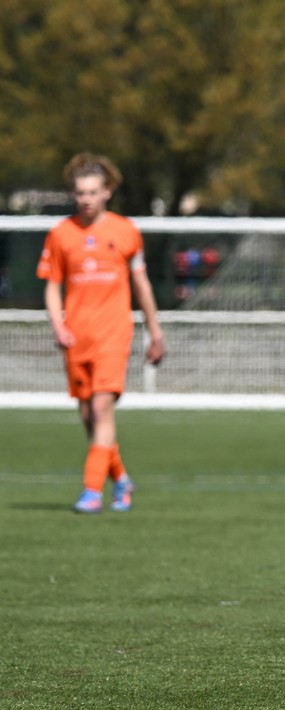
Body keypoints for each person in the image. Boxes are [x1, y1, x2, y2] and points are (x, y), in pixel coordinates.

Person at [38, 153, 165, 514]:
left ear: (107, 191)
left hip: (113, 334)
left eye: (93, 192)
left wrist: (155, 331)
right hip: (77, 337)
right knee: (88, 417)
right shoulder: (60, 234)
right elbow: (52, 285)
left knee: (101, 408)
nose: (86, 199)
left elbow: (141, 284)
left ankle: (92, 491)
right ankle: (121, 479)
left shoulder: (126, 232)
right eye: (80, 193)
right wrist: (59, 325)